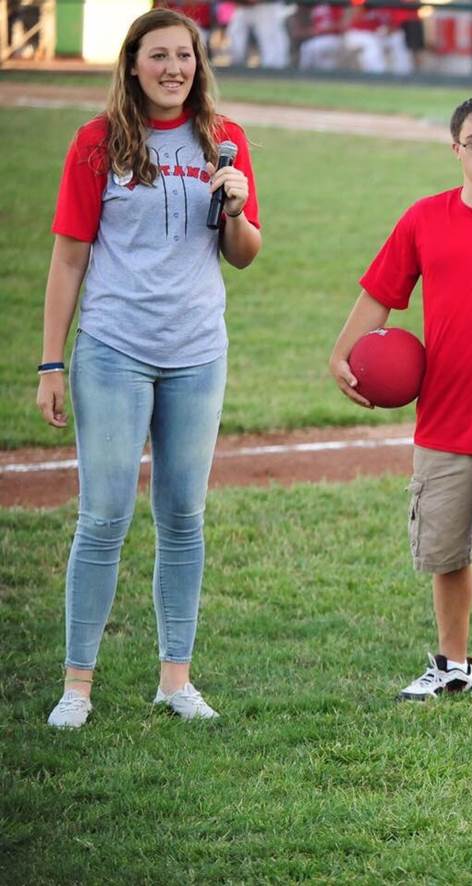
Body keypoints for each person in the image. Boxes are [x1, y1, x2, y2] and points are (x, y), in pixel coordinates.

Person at [38, 8, 262, 728]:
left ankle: (176, 680)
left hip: (197, 352)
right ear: (132, 63)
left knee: (183, 517)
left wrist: (234, 207)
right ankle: (78, 686)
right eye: (159, 56)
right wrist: (50, 362)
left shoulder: (223, 141)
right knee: (103, 517)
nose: (174, 68)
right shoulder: (97, 143)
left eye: (186, 57)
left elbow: (246, 252)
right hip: (114, 349)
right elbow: (69, 256)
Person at [329, 96, 472, 714]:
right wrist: (342, 352)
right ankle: (453, 666)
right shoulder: (425, 219)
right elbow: (381, 291)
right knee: (446, 555)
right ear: (455, 150)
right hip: (441, 421)